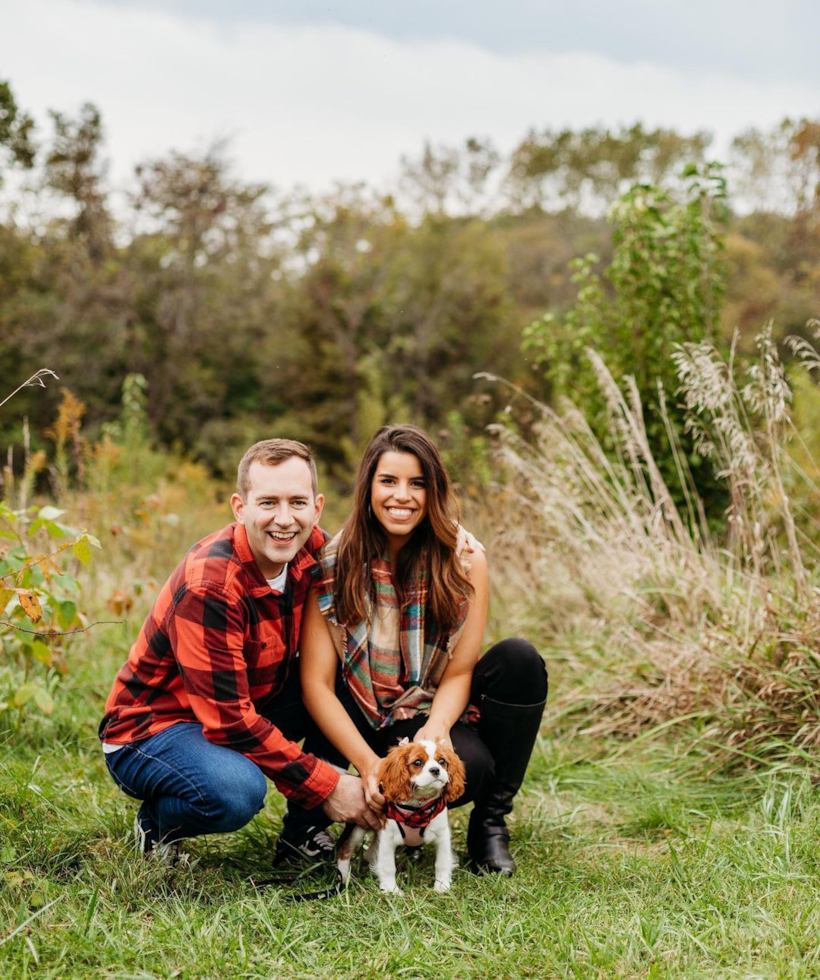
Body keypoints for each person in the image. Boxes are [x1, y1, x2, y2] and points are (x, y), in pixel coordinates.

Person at [98, 439, 382, 864]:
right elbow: (230, 722)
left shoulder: (310, 549)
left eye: (297, 503)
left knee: (344, 677)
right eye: (268, 502)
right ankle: (155, 826)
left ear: (317, 507)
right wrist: (328, 784)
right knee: (236, 791)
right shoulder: (210, 585)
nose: (284, 520)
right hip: (151, 731)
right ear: (240, 507)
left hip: (243, 704)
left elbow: (376, 564)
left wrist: (453, 543)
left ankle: (303, 835)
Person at [300, 424, 548, 875]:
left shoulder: (465, 559)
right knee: (328, 697)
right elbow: (316, 684)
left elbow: (460, 670)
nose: (403, 496)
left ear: (433, 490)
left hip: (424, 707)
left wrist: (435, 730)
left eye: (417, 483)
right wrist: (367, 763)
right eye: (388, 481)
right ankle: (304, 826)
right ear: (368, 487)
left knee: (519, 661)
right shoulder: (332, 562)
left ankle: (489, 825)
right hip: (358, 712)